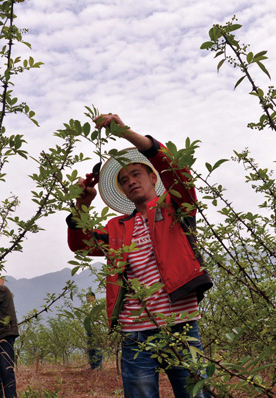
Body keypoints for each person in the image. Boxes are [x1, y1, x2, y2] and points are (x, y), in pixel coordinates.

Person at [66, 114, 213, 398]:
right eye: (124, 179)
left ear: (152, 177)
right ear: (121, 190)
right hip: (135, 334)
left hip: (181, 325)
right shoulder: (117, 228)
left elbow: (176, 170)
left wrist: (125, 133)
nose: (131, 181)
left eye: (136, 174)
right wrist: (81, 205)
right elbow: (82, 245)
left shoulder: (176, 207)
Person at [84, 291, 104, 370]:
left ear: (93, 297)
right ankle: (93, 366)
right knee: (90, 347)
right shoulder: (88, 306)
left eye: (88, 297)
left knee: (97, 347)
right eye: (86, 298)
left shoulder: (97, 306)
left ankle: (98, 365)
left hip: (96, 329)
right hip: (90, 329)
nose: (87, 299)